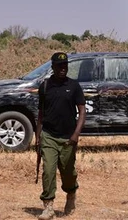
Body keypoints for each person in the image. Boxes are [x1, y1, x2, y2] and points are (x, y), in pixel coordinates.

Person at [35, 52, 87, 220]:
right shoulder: (44, 86)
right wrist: (38, 136)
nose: (62, 69)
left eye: (65, 65)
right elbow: (41, 113)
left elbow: (82, 111)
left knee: (68, 172)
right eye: (59, 66)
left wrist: (76, 134)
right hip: (49, 135)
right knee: (48, 170)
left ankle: (71, 194)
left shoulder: (74, 86)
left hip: (68, 137)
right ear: (53, 67)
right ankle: (48, 206)